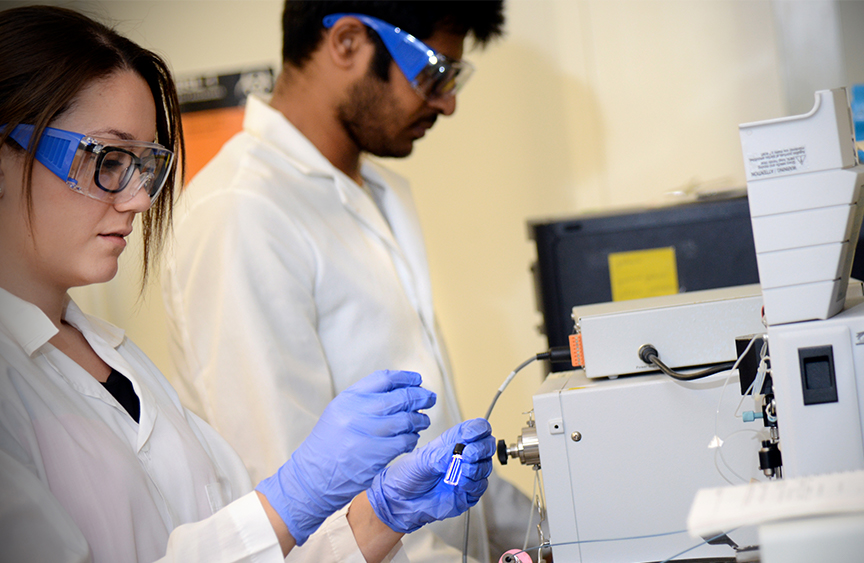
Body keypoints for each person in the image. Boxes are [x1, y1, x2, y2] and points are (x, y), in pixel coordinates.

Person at [0, 6, 495, 562]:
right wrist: (299, 497)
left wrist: (379, 518)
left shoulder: (120, 359)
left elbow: (257, 544)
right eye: (109, 159)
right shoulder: (239, 208)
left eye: (146, 165)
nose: (139, 199)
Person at [163, 2, 530, 561]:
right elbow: (297, 507)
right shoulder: (242, 212)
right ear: (349, 42)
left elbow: (441, 443)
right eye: (435, 73)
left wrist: (557, 534)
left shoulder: (375, 191)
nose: (447, 103)